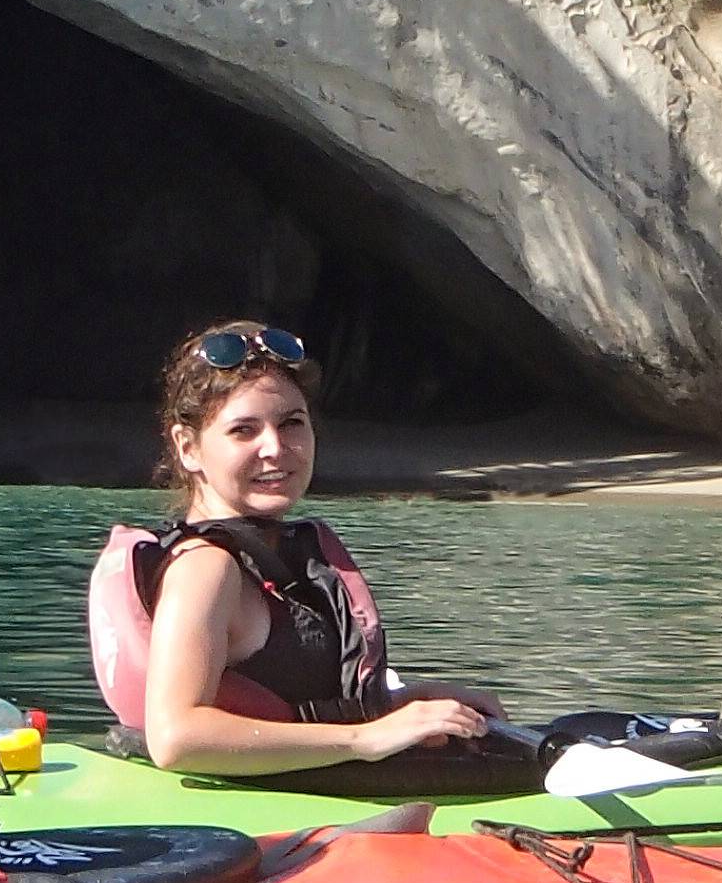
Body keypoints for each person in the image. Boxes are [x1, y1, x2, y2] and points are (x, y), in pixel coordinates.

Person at [87, 320, 498, 775]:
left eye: (291, 424)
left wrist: (405, 706)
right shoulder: (205, 568)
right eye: (243, 430)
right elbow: (177, 738)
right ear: (188, 448)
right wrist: (365, 738)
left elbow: (290, 708)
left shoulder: (268, 555)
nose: (275, 448)